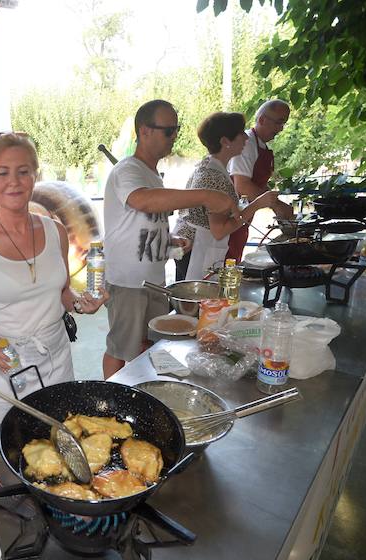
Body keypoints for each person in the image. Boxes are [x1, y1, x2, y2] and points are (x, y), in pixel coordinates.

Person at [0, 132, 107, 439]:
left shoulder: (55, 230)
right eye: (2, 172)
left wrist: (80, 303)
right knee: (9, 460)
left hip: (55, 358)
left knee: (61, 445)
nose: (14, 182)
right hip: (4, 363)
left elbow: (61, 292)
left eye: (23, 172)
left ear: (35, 176)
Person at [102, 100, 236, 378]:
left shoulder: (151, 174)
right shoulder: (127, 170)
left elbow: (145, 220)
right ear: (144, 131)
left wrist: (170, 239)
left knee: (149, 344)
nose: (174, 136)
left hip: (153, 279)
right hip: (127, 282)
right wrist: (205, 195)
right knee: (120, 348)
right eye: (168, 130)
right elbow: (142, 201)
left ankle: (144, 390)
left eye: (176, 129)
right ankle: (110, 397)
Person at [174, 112, 289, 280]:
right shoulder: (213, 176)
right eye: (240, 133)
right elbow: (219, 230)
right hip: (196, 250)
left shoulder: (212, 167)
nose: (245, 137)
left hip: (194, 247)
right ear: (225, 141)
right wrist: (257, 204)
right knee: (198, 303)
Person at [226, 99, 294, 261]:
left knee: (233, 262)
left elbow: (258, 184)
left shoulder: (262, 146)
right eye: (278, 122)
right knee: (224, 265)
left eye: (283, 123)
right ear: (262, 120)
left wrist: (275, 201)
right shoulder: (247, 143)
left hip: (243, 217)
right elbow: (242, 185)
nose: (281, 128)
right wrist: (276, 204)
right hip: (228, 217)